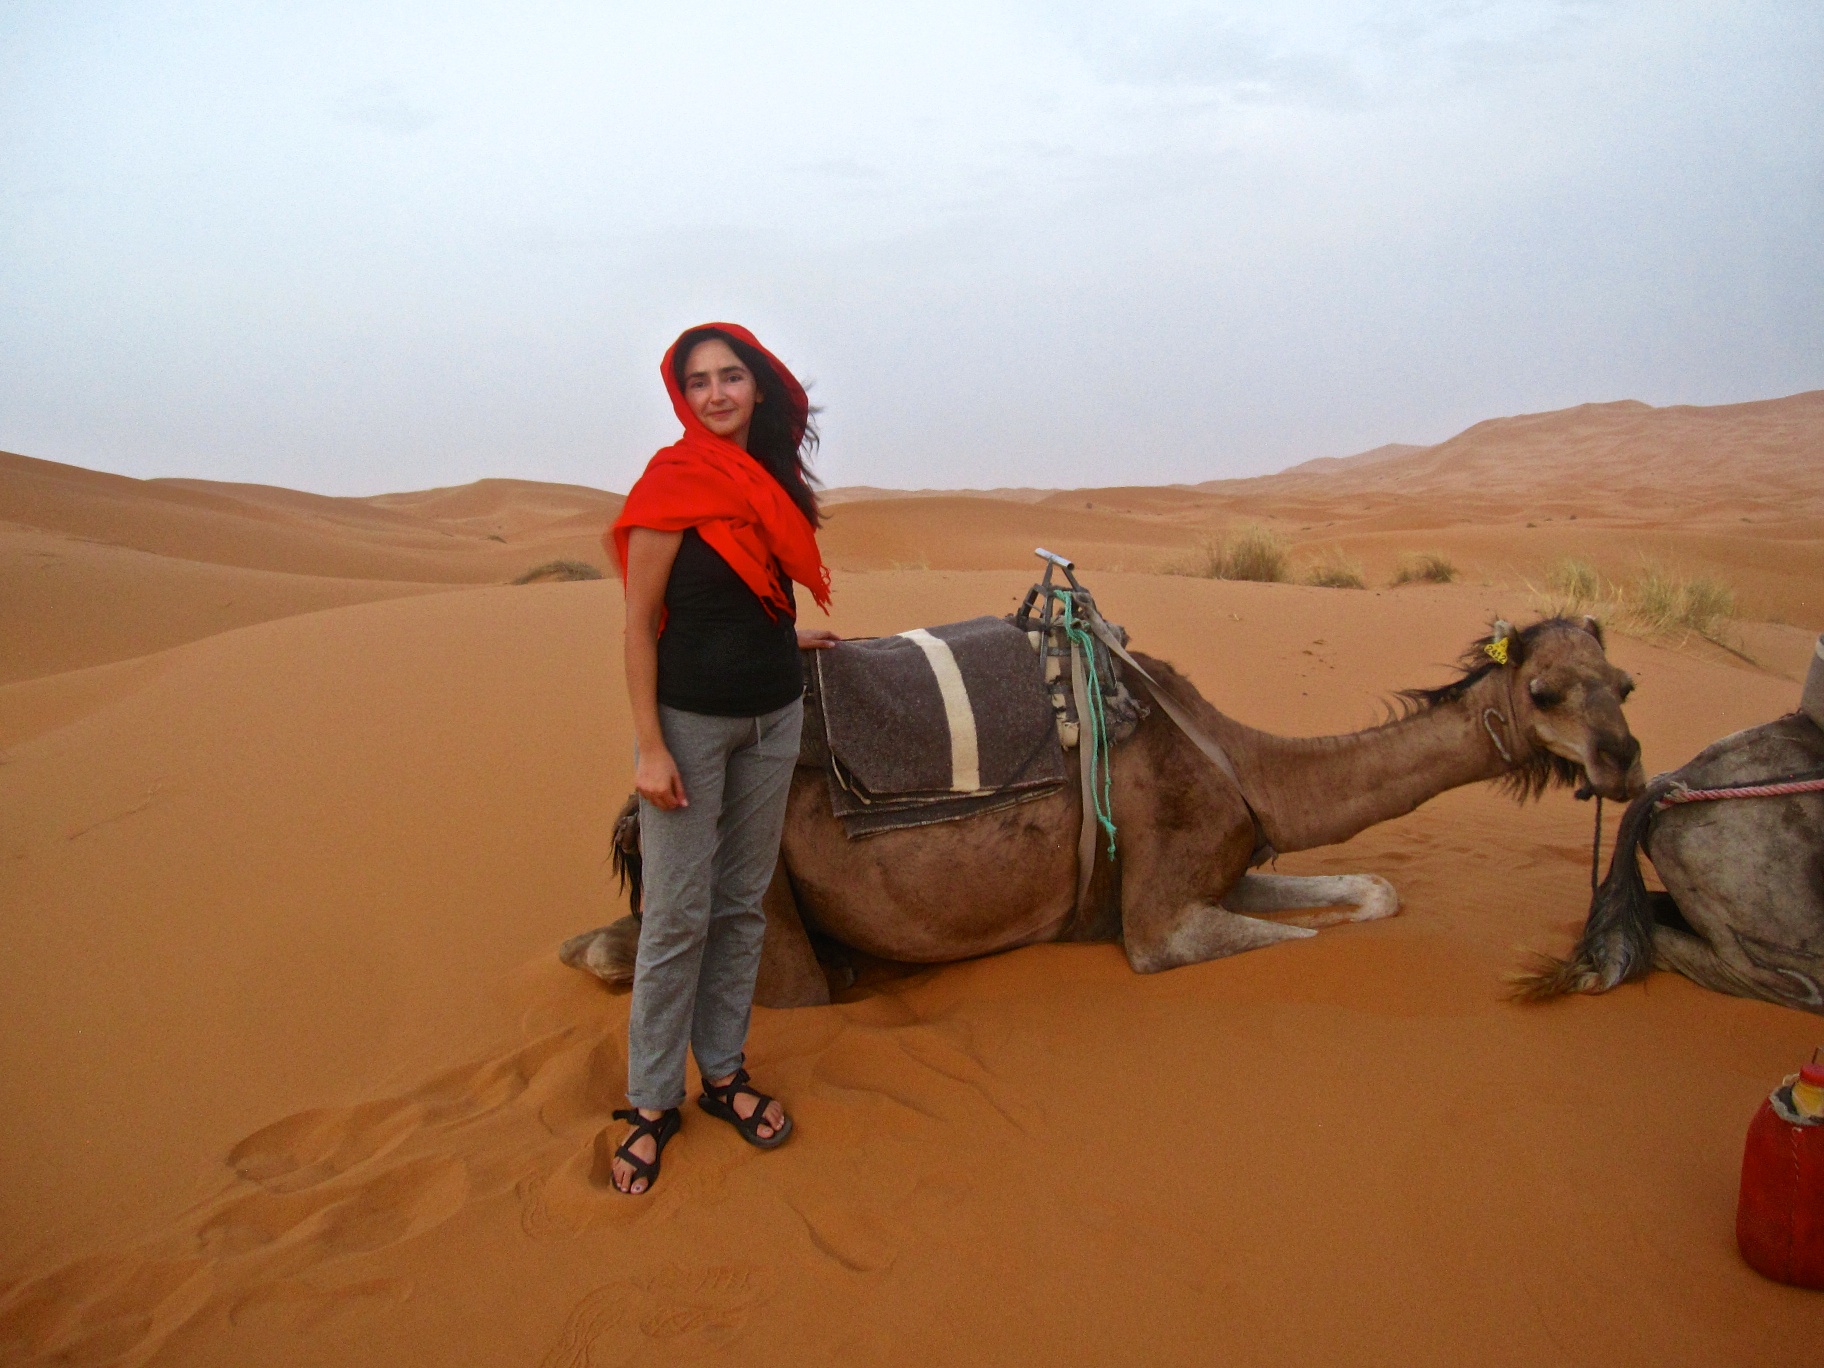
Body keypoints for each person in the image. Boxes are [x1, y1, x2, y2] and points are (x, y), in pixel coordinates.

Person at [603, 322, 838, 1195]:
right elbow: (638, 627)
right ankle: (650, 1101)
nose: (715, 394)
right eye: (698, 381)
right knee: (676, 916)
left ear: (756, 386)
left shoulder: (769, 481)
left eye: (729, 376)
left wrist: (783, 635)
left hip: (774, 716)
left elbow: (758, 587)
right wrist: (651, 748)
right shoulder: (671, 485)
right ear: (682, 395)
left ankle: (725, 1071)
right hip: (690, 726)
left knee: (741, 906)